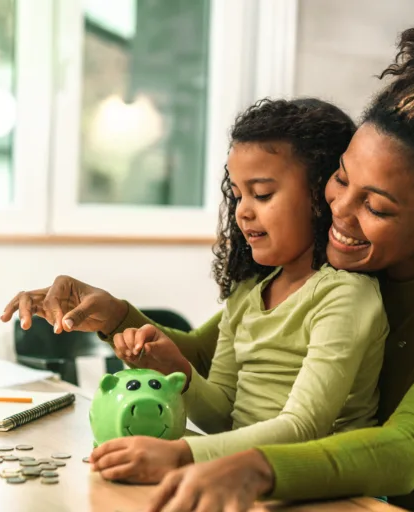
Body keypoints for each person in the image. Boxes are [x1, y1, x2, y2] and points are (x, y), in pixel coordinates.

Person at [1, 12, 414, 512]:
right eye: (341, 179)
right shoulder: (345, 267)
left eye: (377, 205)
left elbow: (411, 446)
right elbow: (214, 356)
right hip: (340, 497)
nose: (340, 211)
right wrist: (110, 314)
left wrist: (249, 467)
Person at [87, 98, 389, 480]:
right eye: (238, 195)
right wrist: (177, 371)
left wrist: (179, 454)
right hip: (248, 477)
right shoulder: (248, 293)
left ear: (321, 195)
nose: (242, 211)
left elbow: (303, 428)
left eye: (261, 194)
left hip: (328, 488)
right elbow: (226, 418)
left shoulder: (344, 295)